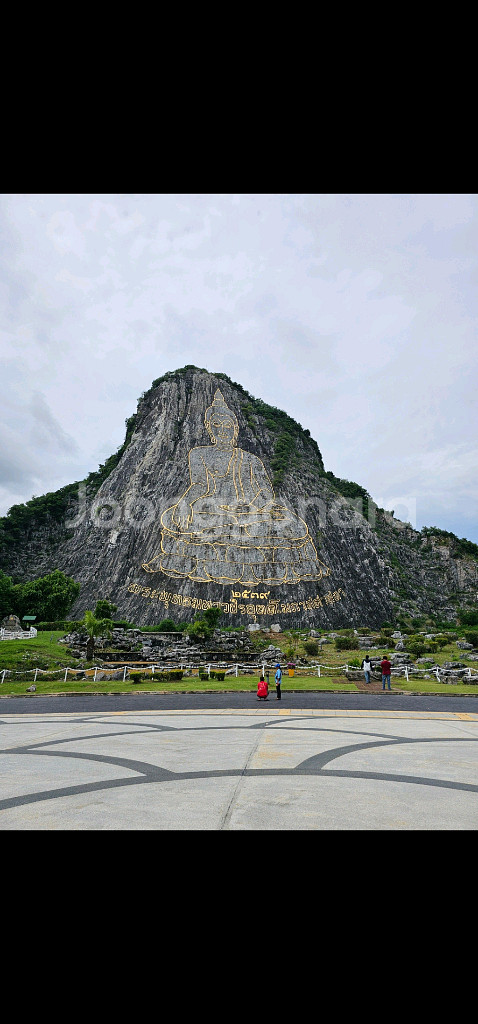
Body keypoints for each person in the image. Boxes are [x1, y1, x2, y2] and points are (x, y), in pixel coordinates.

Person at [142, 390, 330, 585]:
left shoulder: (250, 459)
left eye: (228, 425)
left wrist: (252, 507)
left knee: (292, 524)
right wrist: (184, 503)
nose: (223, 430)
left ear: (235, 428)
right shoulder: (199, 454)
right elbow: (199, 485)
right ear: (209, 428)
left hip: (250, 513)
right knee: (179, 519)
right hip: (213, 511)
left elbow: (266, 493)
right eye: (217, 425)